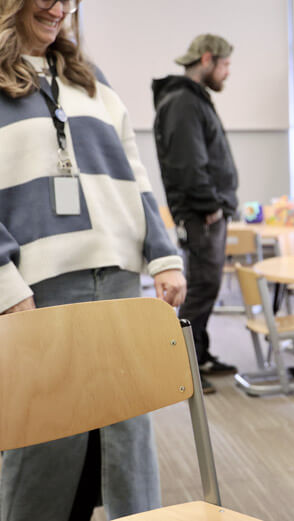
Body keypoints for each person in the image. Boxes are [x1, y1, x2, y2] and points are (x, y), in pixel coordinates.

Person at [0, 0, 186, 519]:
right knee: (41, 445)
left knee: (127, 441)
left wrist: (163, 255)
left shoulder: (88, 78)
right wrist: (5, 287)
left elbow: (132, 169)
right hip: (38, 288)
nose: (58, 8)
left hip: (119, 279)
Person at [152, 33, 238, 394]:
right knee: (201, 289)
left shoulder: (192, 100)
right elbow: (188, 164)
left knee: (207, 285)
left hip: (207, 213)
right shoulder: (182, 101)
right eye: (225, 64)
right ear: (207, 59)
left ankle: (199, 353)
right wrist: (210, 208)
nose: (228, 72)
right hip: (202, 215)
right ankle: (184, 365)